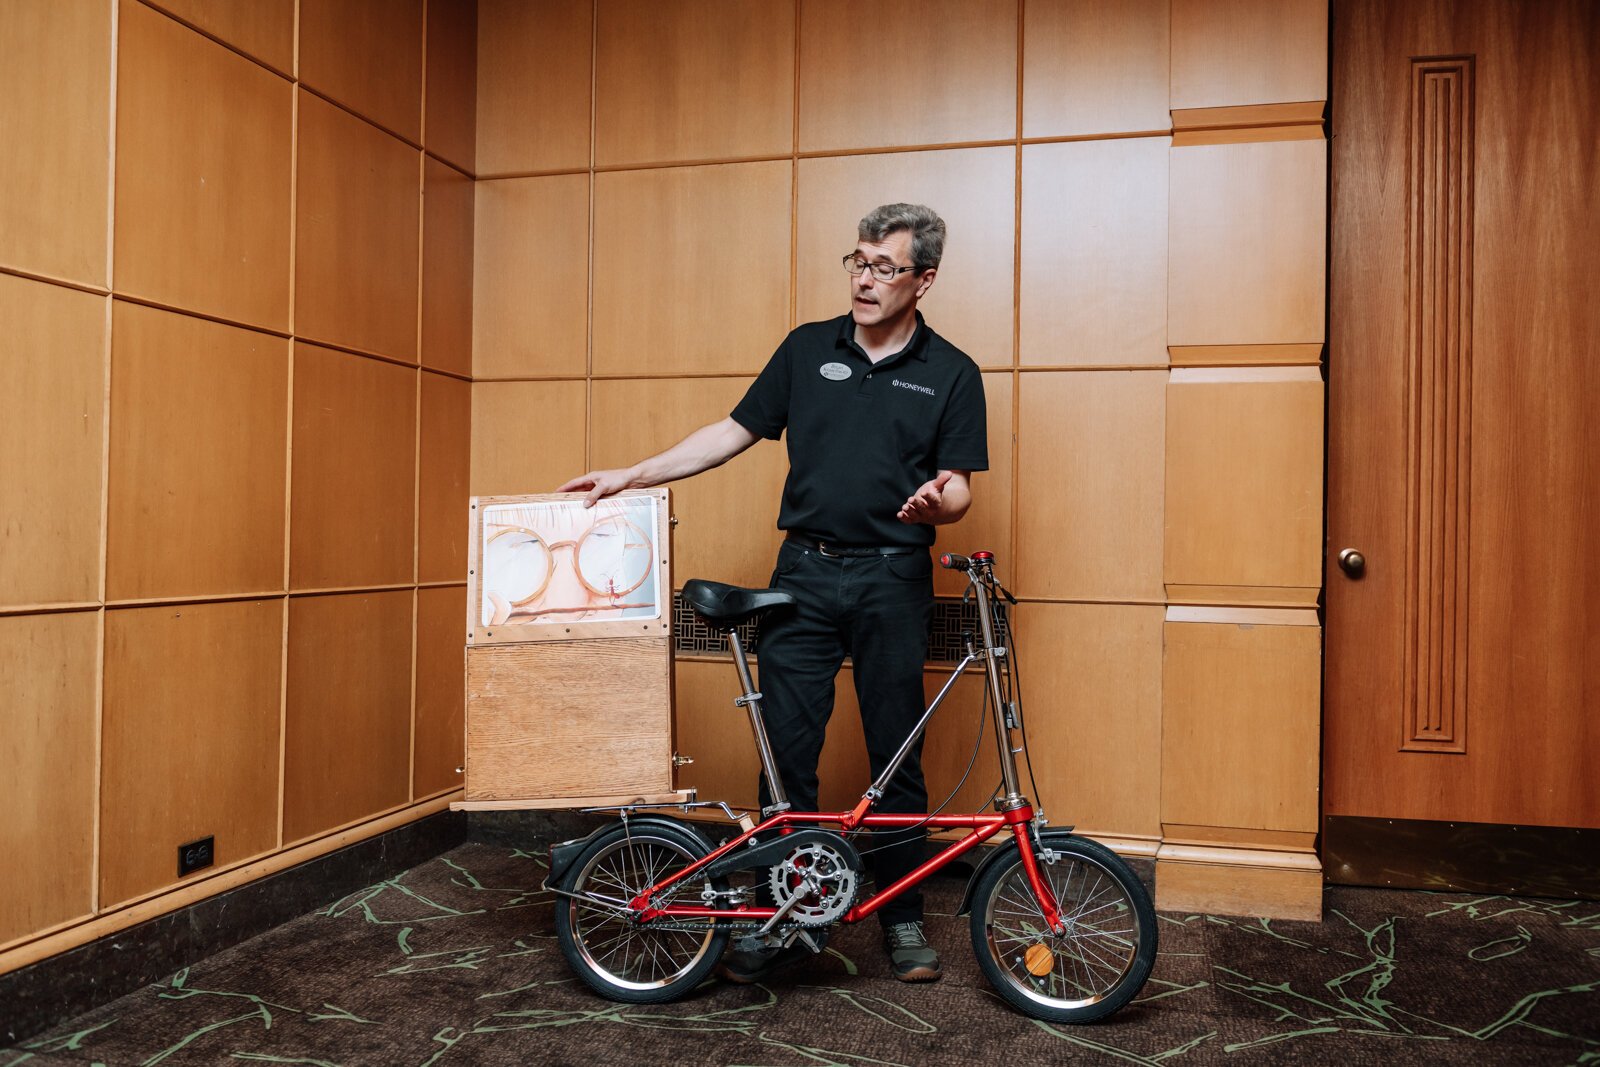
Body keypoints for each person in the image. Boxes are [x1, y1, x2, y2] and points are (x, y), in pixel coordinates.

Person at [558, 203, 988, 983]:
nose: (865, 278)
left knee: (897, 756)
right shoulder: (803, 350)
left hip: (895, 576)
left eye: (885, 267)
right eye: (858, 260)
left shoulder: (951, 371)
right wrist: (630, 473)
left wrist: (941, 504)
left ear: (923, 281)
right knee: (784, 750)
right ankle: (780, 912)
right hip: (805, 575)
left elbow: (958, 485)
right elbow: (731, 432)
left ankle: (900, 919)